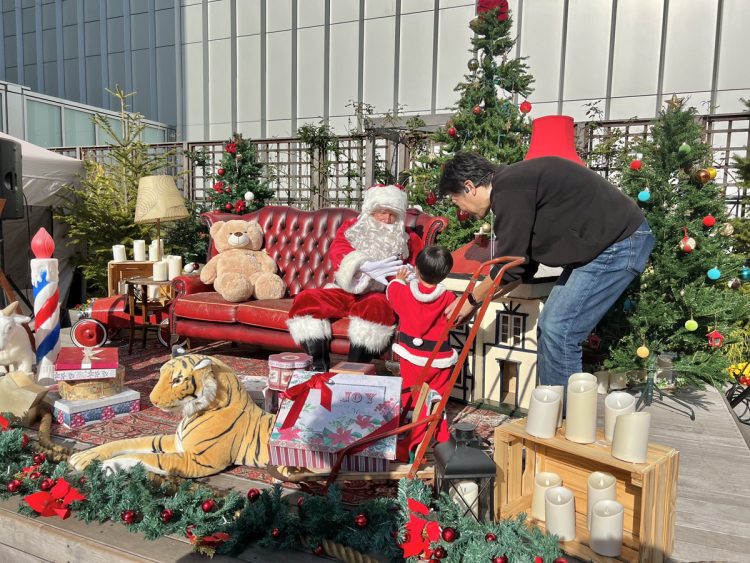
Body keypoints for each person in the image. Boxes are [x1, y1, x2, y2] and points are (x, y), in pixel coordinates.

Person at [438, 152, 655, 388]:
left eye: (455, 198)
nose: (459, 207)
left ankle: (563, 417)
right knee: (551, 327)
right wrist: (478, 301)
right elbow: (521, 267)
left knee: (559, 329)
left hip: (619, 242)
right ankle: (554, 411)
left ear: (469, 186)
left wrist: (470, 300)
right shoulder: (512, 186)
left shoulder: (510, 190)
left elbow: (509, 268)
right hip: (606, 244)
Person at [286, 184, 423, 372]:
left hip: (379, 293)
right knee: (306, 299)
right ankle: (318, 369)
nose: (387, 219)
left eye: (393, 214)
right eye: (382, 212)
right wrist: (362, 265)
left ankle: (354, 371)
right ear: (371, 211)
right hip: (344, 289)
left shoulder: (408, 239)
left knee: (376, 307)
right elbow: (338, 251)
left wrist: (401, 276)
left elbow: (415, 270)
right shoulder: (353, 228)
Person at [387, 245, 457, 461]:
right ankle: (441, 433)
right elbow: (454, 320)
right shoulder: (449, 298)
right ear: (446, 273)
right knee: (436, 397)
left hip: (411, 357)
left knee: (412, 393)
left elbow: (391, 293)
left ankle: (409, 441)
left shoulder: (405, 291)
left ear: (416, 269)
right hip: (439, 359)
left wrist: (399, 279)